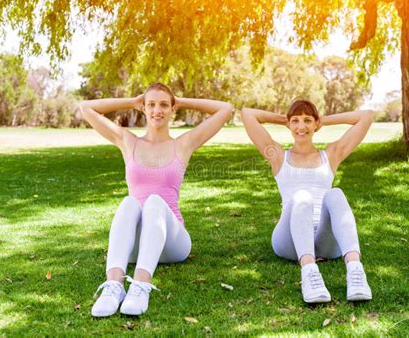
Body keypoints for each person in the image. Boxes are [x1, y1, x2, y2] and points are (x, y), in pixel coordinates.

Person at [79, 83, 233, 316]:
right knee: (130, 203)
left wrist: (180, 100)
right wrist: (132, 101)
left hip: (172, 243)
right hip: (136, 246)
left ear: (172, 109)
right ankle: (113, 287)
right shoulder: (128, 141)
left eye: (163, 105)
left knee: (153, 202)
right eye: (151, 104)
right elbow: (86, 108)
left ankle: (140, 285)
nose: (157, 110)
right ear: (144, 108)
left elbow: (225, 109)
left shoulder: (183, 144)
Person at [241, 100, 374, 303]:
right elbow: (248, 113)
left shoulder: (331, 155)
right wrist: (285, 119)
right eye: (295, 121)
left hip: (324, 242)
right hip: (289, 242)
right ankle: (310, 273)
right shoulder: (277, 156)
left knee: (335, 193)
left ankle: (355, 272)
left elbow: (366, 116)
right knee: (302, 197)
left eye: (307, 120)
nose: (301, 126)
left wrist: (323, 120)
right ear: (289, 125)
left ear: (315, 124)